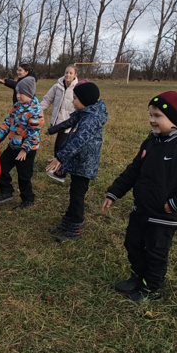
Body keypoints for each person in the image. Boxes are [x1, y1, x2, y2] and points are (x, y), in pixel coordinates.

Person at [102, 88, 177, 302]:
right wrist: (114, 192)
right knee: (132, 243)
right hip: (142, 208)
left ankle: (152, 287)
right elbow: (134, 169)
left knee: (156, 251)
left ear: (174, 119)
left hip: (165, 214)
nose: (152, 120)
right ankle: (138, 276)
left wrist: (175, 203)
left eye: (158, 116)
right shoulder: (151, 142)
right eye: (150, 115)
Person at [46, 82, 107, 242]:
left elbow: (79, 141)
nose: (72, 101)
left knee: (77, 196)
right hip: (79, 162)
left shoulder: (91, 118)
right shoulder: (84, 113)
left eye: (75, 98)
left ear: (85, 100)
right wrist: (52, 130)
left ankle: (76, 227)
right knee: (74, 193)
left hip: (85, 164)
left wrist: (60, 157)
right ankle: (68, 223)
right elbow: (70, 122)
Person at [0, 76, 43, 209]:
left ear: (30, 93)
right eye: (17, 93)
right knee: (0, 167)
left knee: (24, 176)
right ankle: (6, 191)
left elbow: (34, 133)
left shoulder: (35, 111)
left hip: (27, 150)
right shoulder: (16, 106)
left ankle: (28, 198)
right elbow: (7, 123)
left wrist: (25, 149)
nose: (18, 96)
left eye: (22, 93)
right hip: (13, 145)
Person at [39, 65, 79, 183]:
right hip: (57, 122)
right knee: (60, 146)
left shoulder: (77, 88)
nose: (68, 75)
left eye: (71, 73)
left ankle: (60, 171)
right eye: (66, 72)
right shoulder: (57, 86)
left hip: (69, 123)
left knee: (61, 146)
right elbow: (47, 99)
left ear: (75, 75)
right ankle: (59, 165)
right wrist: (38, 110)